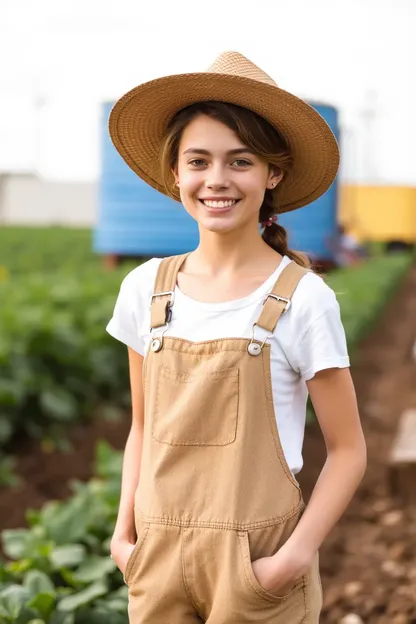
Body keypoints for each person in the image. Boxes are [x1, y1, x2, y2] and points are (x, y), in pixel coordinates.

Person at [106, 52, 367, 623]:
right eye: (197, 160)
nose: (216, 180)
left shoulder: (302, 298)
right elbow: (142, 426)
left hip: (258, 563)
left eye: (240, 161)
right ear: (175, 173)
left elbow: (347, 450)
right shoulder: (146, 288)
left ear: (272, 175)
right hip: (154, 557)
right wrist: (123, 537)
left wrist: (292, 559)